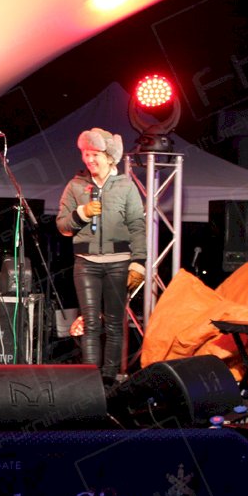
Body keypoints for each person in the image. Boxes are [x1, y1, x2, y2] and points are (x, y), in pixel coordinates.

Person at [56, 127, 146, 387]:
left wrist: (138, 263)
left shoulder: (126, 186)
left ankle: (109, 380)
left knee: (115, 323)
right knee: (91, 322)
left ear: (109, 157)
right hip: (86, 263)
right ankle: (90, 381)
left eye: (94, 154)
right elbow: (62, 225)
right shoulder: (75, 186)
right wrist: (81, 214)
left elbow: (137, 226)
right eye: (86, 153)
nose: (89, 159)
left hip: (119, 263)